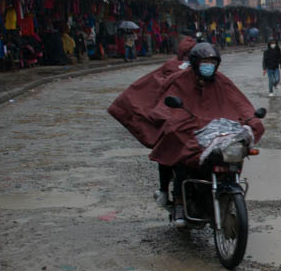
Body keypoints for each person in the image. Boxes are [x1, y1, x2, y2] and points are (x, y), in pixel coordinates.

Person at [108, 41, 264, 227]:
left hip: (215, 133)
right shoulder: (179, 79)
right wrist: (175, 122)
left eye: (212, 62)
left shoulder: (221, 81)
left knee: (234, 153)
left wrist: (251, 121)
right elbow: (165, 107)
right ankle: (179, 202)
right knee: (178, 155)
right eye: (205, 62)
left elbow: (239, 104)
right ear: (196, 62)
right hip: (189, 130)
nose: (209, 66)